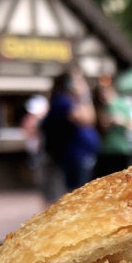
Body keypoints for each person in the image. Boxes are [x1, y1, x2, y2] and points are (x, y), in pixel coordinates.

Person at [40, 71, 97, 202]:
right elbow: (88, 118)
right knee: (77, 198)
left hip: (75, 157)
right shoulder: (62, 101)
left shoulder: (64, 101)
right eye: (79, 81)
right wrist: (85, 95)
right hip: (72, 158)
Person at [93, 84, 132, 179]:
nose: (103, 95)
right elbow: (101, 125)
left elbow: (131, 124)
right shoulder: (102, 105)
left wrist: (120, 120)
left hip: (120, 149)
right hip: (106, 149)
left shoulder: (122, 104)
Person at [21, 94, 48, 185]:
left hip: (43, 150)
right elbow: (28, 131)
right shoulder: (29, 119)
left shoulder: (44, 119)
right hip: (35, 148)